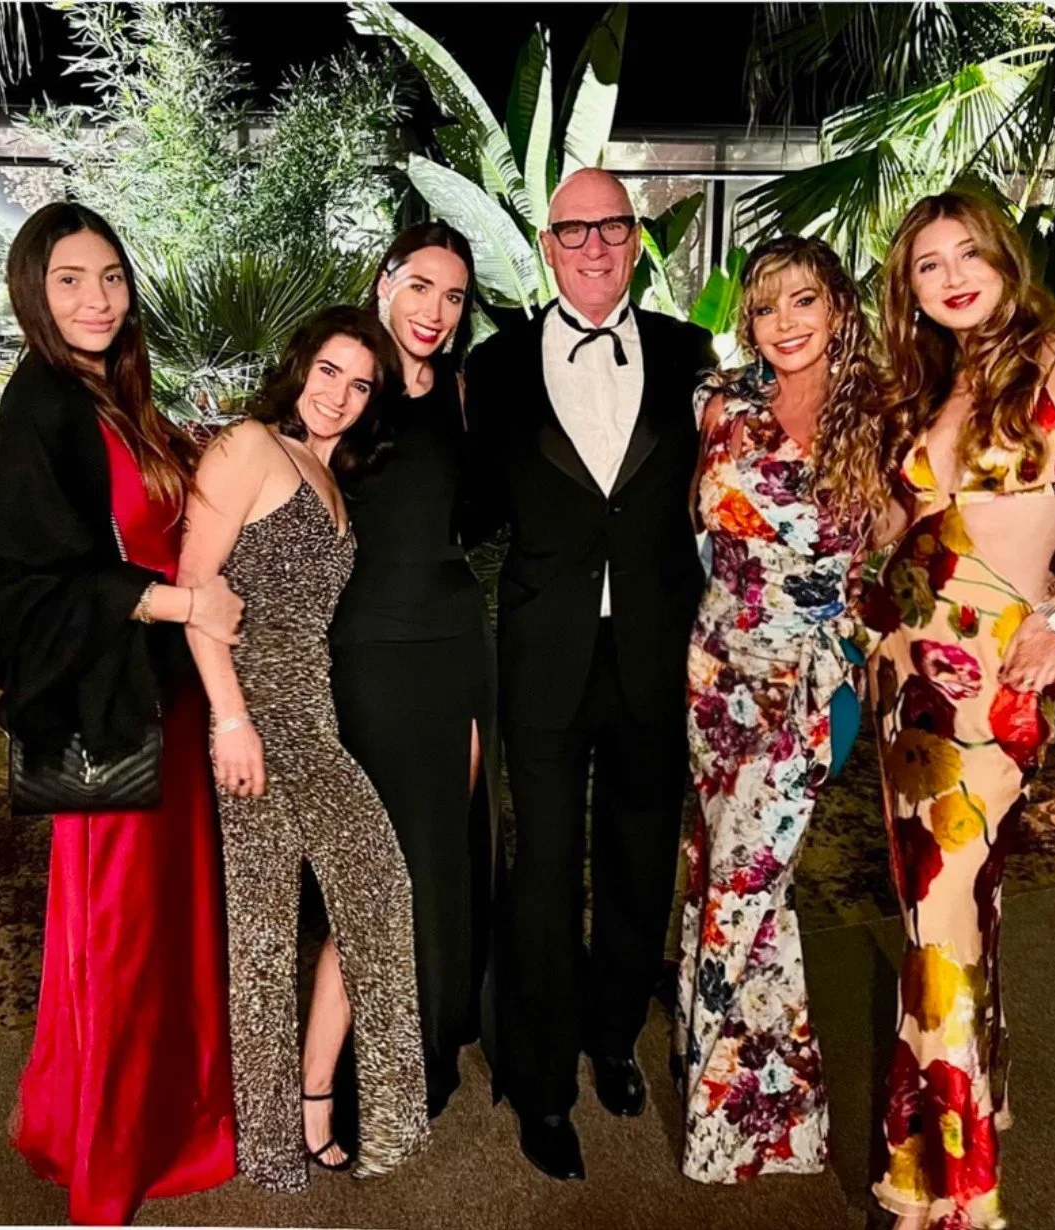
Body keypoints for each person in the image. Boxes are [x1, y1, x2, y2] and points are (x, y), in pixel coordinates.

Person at [862, 192, 1055, 1230]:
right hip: (904, 679)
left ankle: (949, 1197)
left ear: (1004, 255)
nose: (948, 276)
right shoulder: (933, 393)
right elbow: (894, 538)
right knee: (944, 918)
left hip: (995, 678)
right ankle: (952, 1128)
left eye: (965, 254)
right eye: (924, 266)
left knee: (941, 924)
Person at [0, 202, 242, 1224]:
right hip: (103, 711)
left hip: (157, 703)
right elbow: (19, 570)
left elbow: (150, 518)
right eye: (72, 278)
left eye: (112, 276)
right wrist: (179, 601)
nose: (97, 297)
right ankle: (113, 1156)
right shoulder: (40, 399)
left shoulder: (117, 393)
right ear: (36, 292)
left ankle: (167, 1114)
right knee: (120, 938)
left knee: (165, 926)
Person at [466, 168, 715, 1180]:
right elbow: (473, 510)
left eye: (614, 228)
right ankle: (540, 1083)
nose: (597, 246)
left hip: (658, 651)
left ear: (636, 240)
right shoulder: (496, 365)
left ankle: (612, 1038)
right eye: (576, 231)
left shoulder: (692, 355)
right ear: (548, 244)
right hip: (545, 657)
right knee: (542, 874)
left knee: (639, 858)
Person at [177, 305, 428, 1191]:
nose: (340, 395)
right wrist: (228, 720)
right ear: (299, 367)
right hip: (254, 717)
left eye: (360, 384)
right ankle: (274, 1145)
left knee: (376, 896)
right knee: (264, 939)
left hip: (312, 720)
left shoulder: (329, 474)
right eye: (329, 372)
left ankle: (357, 1115)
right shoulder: (249, 445)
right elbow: (196, 593)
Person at [673, 235, 893, 1183]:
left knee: (748, 879)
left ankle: (729, 1125)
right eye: (766, 308)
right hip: (716, 672)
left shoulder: (886, 417)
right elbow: (689, 525)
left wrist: (866, 643)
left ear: (840, 306)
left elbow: (909, 548)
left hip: (812, 682)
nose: (785, 324)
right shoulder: (721, 406)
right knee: (720, 871)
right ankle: (763, 1109)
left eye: (804, 301)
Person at [328, 224, 497, 1121]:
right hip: (369, 650)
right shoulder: (349, 383)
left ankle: (429, 1043)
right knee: (378, 861)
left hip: (455, 643)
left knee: (442, 855)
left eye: (455, 296)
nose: (435, 310)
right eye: (421, 286)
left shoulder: (462, 393)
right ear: (387, 281)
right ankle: (366, 1067)